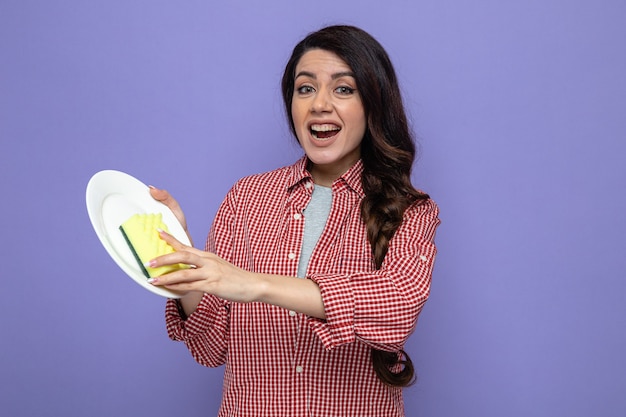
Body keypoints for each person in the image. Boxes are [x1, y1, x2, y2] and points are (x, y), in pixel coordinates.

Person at [147, 25, 440, 417]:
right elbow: (211, 347)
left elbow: (396, 311)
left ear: (373, 103)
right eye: (305, 88)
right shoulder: (246, 198)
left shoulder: (411, 210)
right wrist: (187, 264)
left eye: (343, 89)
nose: (319, 104)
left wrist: (257, 285)